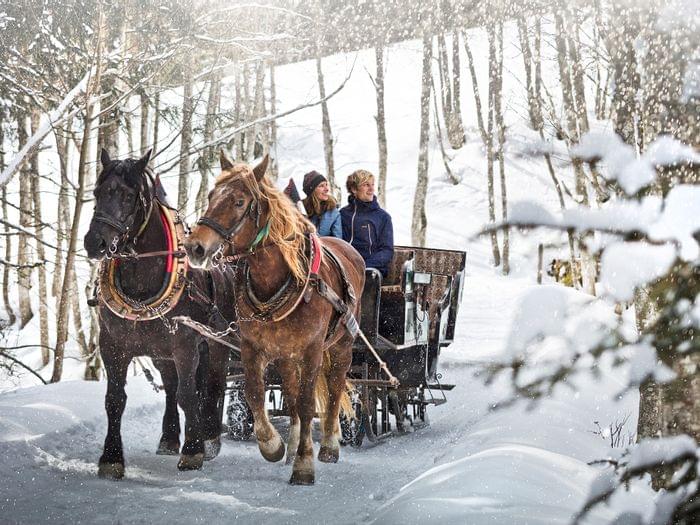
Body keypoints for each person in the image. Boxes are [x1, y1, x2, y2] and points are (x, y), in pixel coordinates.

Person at [340, 169, 393, 277]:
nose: (371, 189)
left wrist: (364, 266)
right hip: (345, 267)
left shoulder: (383, 217)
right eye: (366, 185)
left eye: (372, 185)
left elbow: (387, 251)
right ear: (354, 189)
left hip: (371, 270)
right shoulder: (343, 214)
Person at [302, 170, 342, 238]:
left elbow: (338, 241)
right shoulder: (300, 209)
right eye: (321, 186)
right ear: (311, 190)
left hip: (324, 247)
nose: (327, 189)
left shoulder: (333, 212)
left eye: (326, 185)